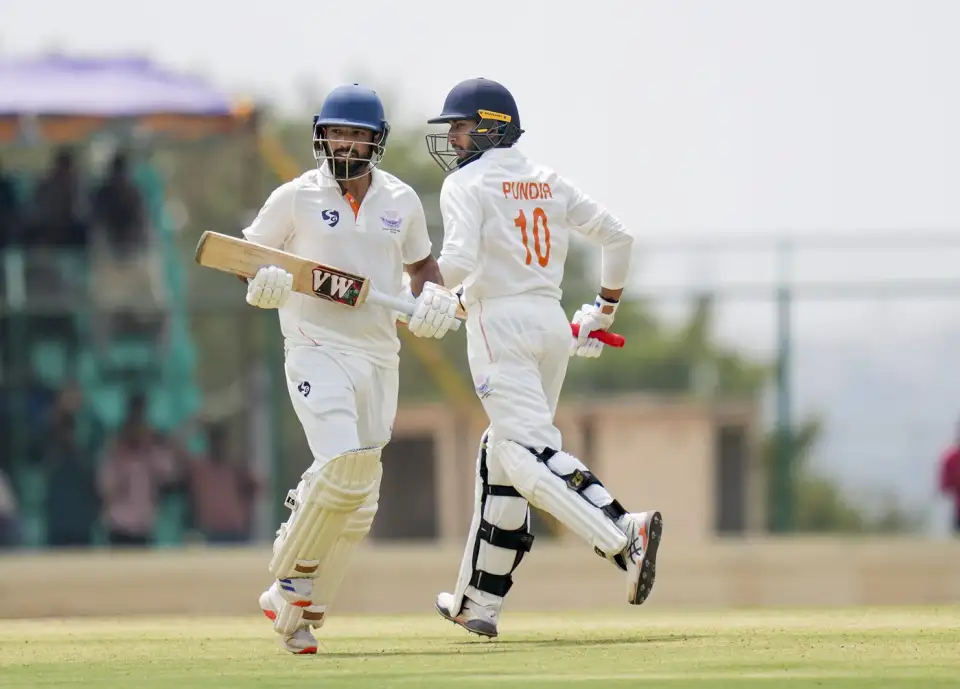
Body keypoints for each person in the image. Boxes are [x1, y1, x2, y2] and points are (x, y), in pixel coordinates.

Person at [424, 77, 663, 638]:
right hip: (551, 324)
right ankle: (478, 602)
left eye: (460, 126)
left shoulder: (465, 184)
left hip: (498, 326)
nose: (453, 138)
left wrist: (418, 290)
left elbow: (458, 259)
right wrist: (603, 310)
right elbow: (618, 237)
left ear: (490, 127)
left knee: (523, 450)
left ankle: (623, 533)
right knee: (501, 454)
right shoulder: (547, 180)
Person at [241, 83, 460, 654]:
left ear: (375, 142)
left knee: (361, 497)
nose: (344, 143)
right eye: (336, 133)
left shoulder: (401, 200)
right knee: (340, 465)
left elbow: (422, 267)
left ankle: (293, 608)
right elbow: (245, 256)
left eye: (356, 135)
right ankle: (291, 573)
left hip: (378, 354)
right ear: (321, 136)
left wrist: (432, 297)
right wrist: (262, 280)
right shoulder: (295, 197)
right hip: (314, 345)